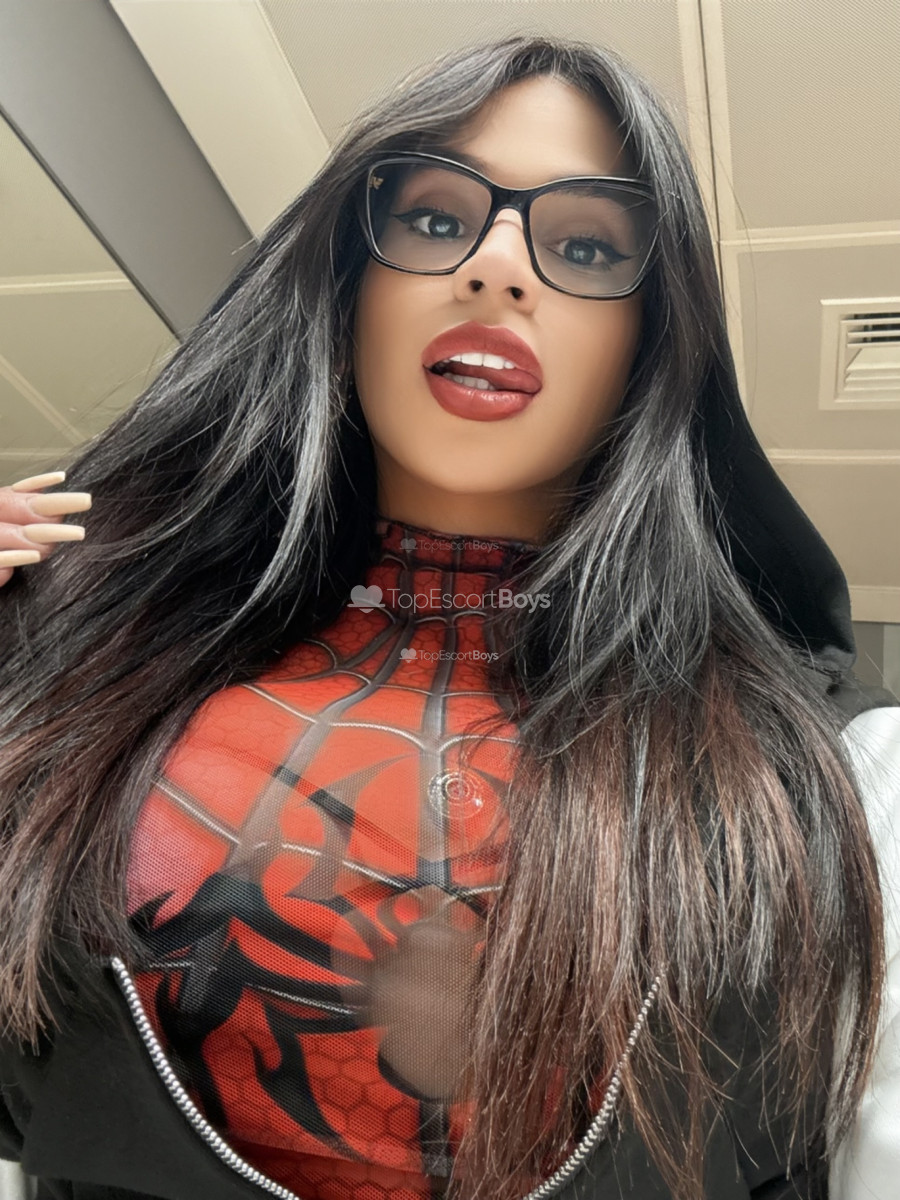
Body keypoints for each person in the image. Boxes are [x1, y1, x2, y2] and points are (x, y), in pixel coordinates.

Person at [0, 33, 898, 1200]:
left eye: (585, 245)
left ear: (649, 345)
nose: (498, 267)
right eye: (434, 219)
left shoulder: (831, 776)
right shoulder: (92, 684)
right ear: (346, 287)